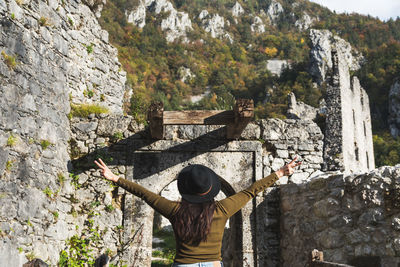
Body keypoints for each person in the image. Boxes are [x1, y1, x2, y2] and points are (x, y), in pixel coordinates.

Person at [94, 156, 301, 267]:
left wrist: (115, 178)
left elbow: (146, 194)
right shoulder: (221, 209)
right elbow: (251, 191)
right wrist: (281, 172)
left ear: (185, 189)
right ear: (210, 189)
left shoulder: (175, 211)